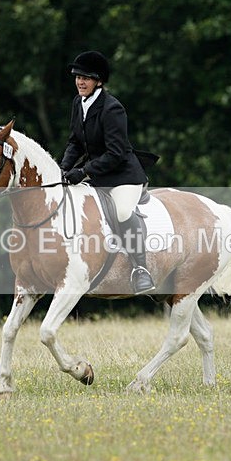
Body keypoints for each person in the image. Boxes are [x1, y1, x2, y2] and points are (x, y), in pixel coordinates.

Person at [60, 50, 156, 294]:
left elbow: (116, 153)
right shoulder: (78, 103)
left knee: (122, 211)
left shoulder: (112, 108)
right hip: (99, 176)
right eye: (78, 76)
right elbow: (75, 142)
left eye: (86, 78)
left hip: (124, 176)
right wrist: (63, 169)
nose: (80, 81)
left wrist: (82, 171)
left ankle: (140, 268)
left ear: (99, 81)